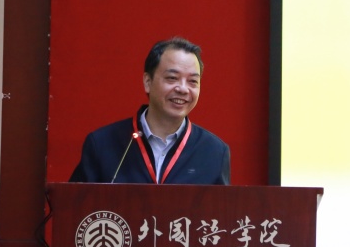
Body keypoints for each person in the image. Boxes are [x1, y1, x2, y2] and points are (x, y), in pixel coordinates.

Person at [69, 37, 231, 184]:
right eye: (172, 78)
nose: (183, 89)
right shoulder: (102, 144)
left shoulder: (214, 152)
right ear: (148, 82)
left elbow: (222, 208)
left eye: (192, 81)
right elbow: (77, 205)